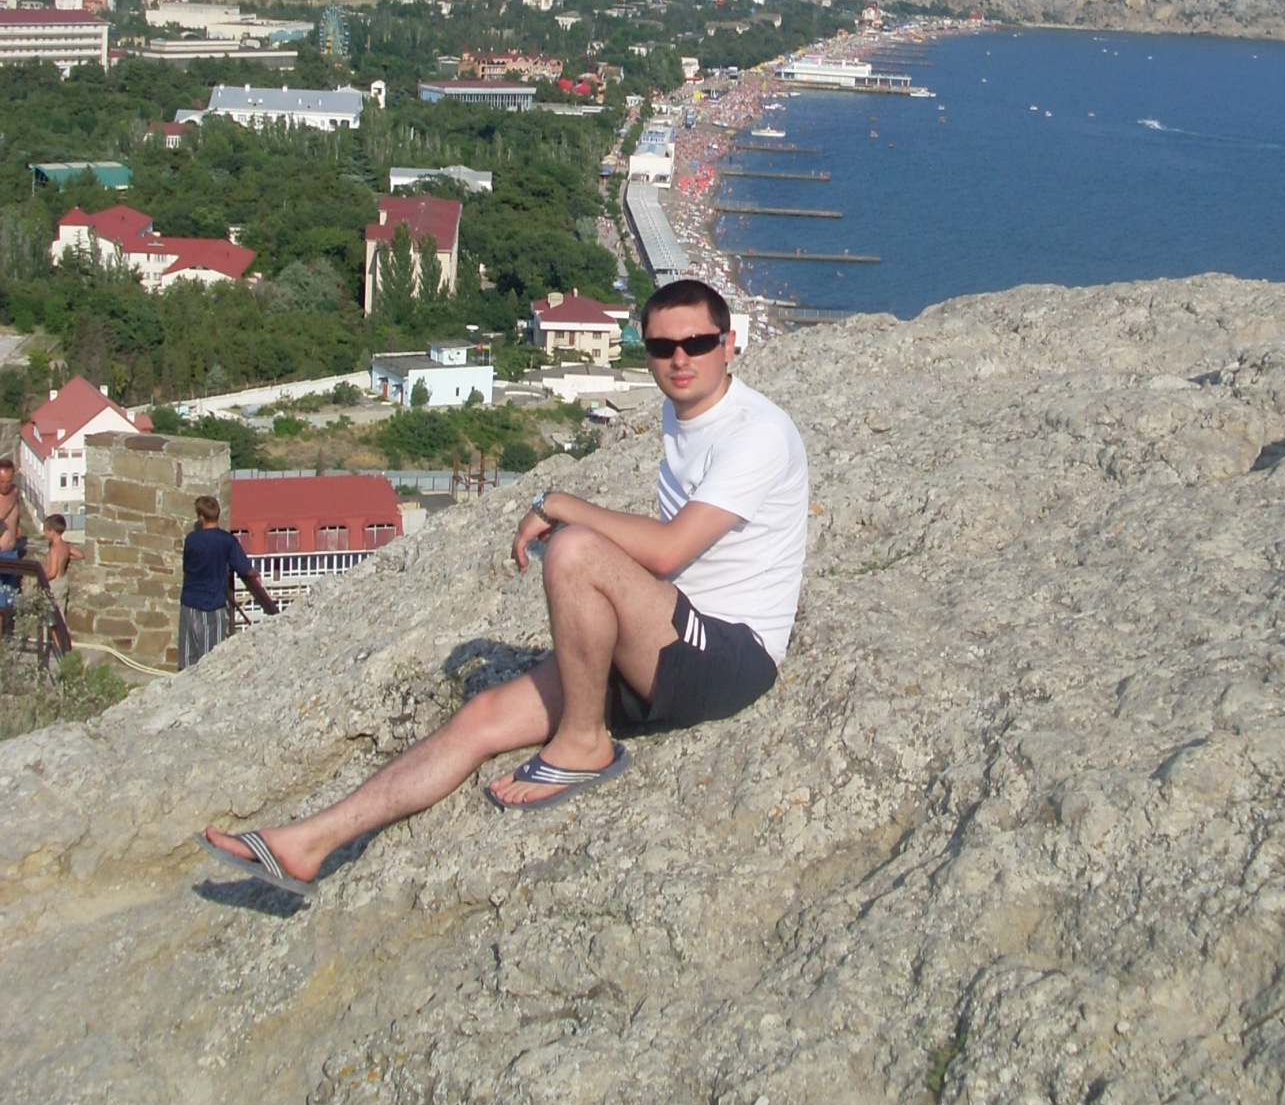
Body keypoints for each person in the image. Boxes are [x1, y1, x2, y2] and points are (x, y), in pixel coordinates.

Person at [196, 278, 809, 894]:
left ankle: (584, 744)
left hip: (728, 653)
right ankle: (307, 844)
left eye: (697, 343)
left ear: (728, 344)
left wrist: (560, 504)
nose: (679, 359)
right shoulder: (682, 412)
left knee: (573, 549)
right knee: (483, 717)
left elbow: (672, 548)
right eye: (661, 347)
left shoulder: (755, 431)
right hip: (661, 635)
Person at [179, 494, 279, 669]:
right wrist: (254, 574)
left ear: (201, 517)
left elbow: (186, 566)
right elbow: (244, 568)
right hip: (213, 604)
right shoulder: (227, 541)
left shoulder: (191, 540)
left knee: (188, 660)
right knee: (209, 661)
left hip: (189, 602)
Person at [39, 514, 79, 617]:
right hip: (63, 582)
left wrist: (41, 578)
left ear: (52, 532)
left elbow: (52, 572)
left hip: (54, 585)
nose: (44, 533)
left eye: (46, 530)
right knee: (60, 615)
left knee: (50, 616)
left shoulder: (54, 549)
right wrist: (67, 556)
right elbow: (80, 555)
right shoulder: (65, 546)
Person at [0, 457, 20, 555]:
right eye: (2, 481)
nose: (5, 485)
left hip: (12, 551)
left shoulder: (15, 491)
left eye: (8, 481)